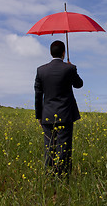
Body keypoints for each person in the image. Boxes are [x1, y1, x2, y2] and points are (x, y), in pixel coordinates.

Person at [34, 40, 83, 179]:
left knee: (49, 147)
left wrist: (39, 116)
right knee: (64, 149)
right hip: (66, 115)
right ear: (64, 53)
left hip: (47, 116)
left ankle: (49, 176)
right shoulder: (69, 69)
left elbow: (38, 95)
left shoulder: (41, 70)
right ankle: (62, 178)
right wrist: (72, 68)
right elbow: (79, 85)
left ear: (50, 53)